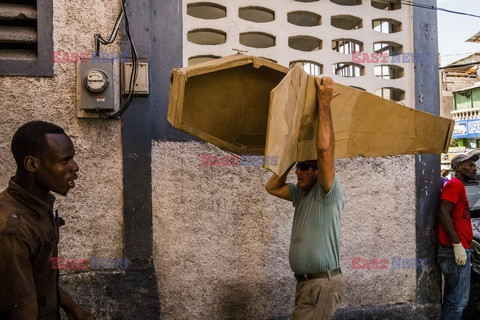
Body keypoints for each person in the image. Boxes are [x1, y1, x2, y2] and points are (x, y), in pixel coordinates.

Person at [265, 77, 344, 320]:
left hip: (322, 285)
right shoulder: (301, 194)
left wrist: (324, 103)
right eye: (298, 167)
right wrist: (291, 158)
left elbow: (324, 150)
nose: (298, 172)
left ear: (318, 171)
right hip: (306, 284)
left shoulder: (327, 192)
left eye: (305, 167)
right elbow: (272, 187)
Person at [0, 121, 94, 319]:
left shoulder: (37, 206)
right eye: (64, 160)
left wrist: (73, 309)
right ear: (32, 164)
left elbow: (40, 275)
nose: (75, 167)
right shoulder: (13, 231)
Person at [437, 152, 479, 320]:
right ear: (458, 167)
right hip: (453, 250)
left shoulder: (457, 185)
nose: (474, 168)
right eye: (470, 165)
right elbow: (442, 212)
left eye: (475, 165)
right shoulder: (455, 185)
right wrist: (457, 245)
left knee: (452, 298)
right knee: (458, 301)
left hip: (456, 250)